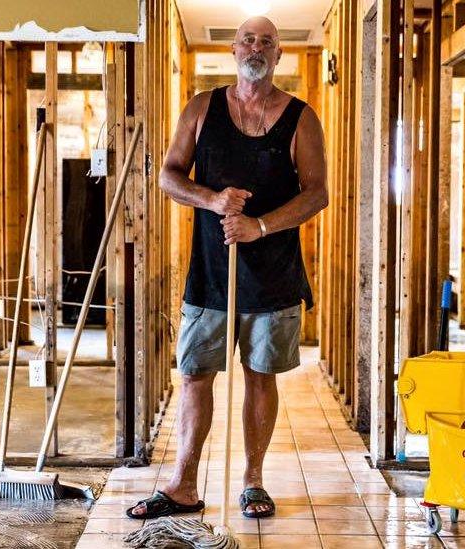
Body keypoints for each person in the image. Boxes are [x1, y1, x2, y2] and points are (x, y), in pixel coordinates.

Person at [125, 15, 328, 520]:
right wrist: (214, 199)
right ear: (234, 51)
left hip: (275, 279)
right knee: (195, 375)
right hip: (210, 277)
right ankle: (182, 485)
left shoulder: (301, 118)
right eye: (247, 40)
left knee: (260, 376)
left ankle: (253, 481)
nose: (255, 47)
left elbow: (318, 194)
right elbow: (169, 177)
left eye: (267, 42)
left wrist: (259, 226)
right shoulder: (202, 109)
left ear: (278, 55)